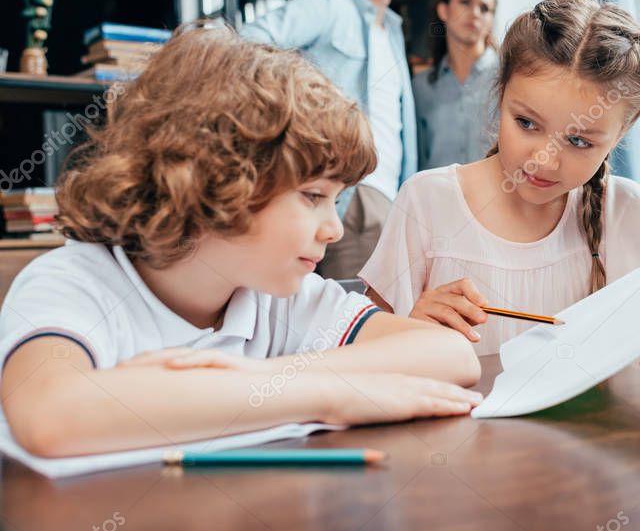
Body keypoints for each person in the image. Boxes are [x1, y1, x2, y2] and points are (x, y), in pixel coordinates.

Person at [0, 26, 480, 458]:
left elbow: (451, 357)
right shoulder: (74, 284)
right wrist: (330, 394)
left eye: (335, 201)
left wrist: (255, 381)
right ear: (213, 179)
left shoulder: (280, 299)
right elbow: (53, 415)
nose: (333, 229)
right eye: (313, 195)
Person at [359, 0, 640, 383]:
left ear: (619, 135)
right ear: (501, 95)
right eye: (526, 124)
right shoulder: (428, 201)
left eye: (579, 141)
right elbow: (361, 357)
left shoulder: (629, 213)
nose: (543, 160)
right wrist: (410, 330)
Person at [240, 0, 415, 279]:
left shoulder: (395, 31)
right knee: (352, 327)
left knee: (374, 322)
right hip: (351, 197)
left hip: (390, 198)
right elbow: (245, 44)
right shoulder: (329, 6)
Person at [414, 0, 499, 169]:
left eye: (485, 8)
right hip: (437, 197)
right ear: (443, 11)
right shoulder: (421, 86)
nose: (475, 13)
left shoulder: (510, 76)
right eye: (465, 2)